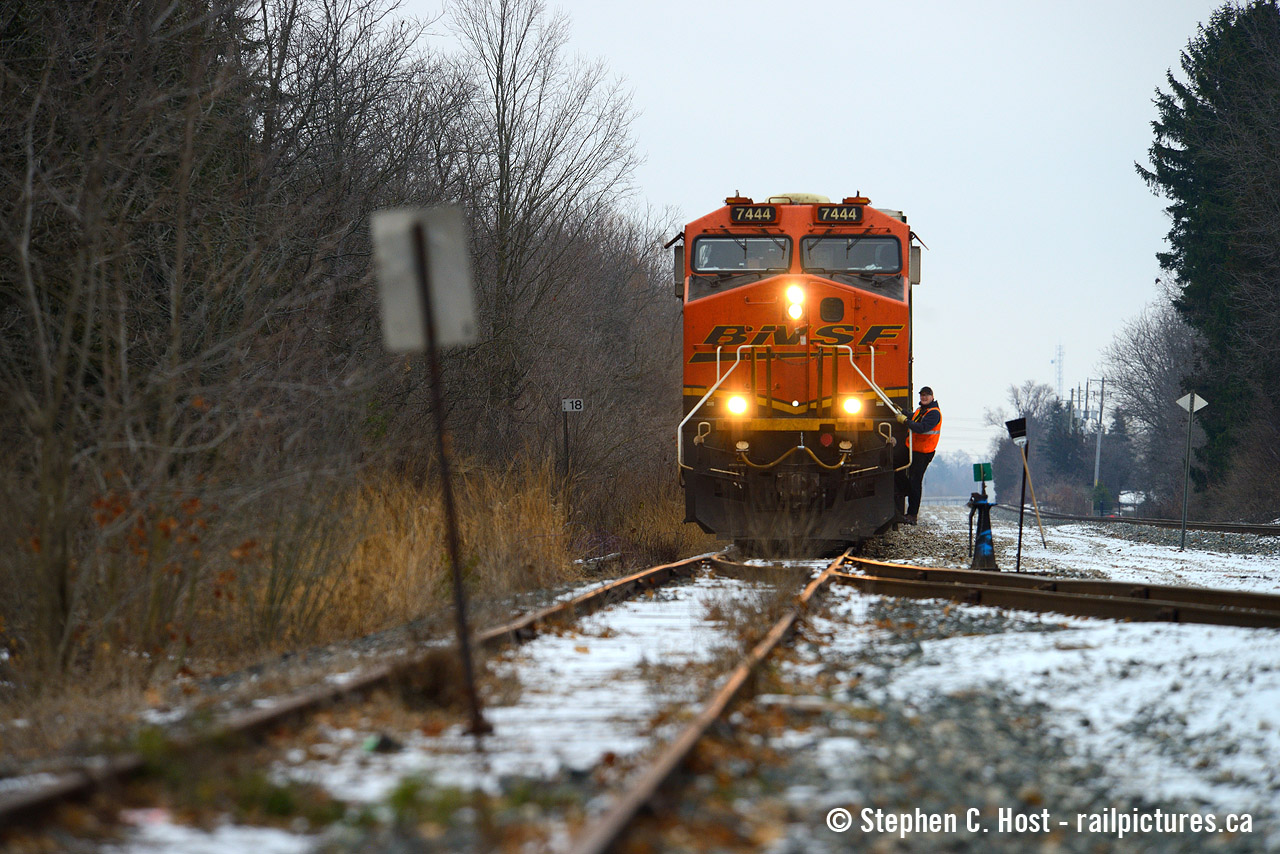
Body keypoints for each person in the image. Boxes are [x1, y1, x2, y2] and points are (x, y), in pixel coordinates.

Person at [893, 386, 942, 525]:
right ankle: (906, 490)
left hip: (923, 453)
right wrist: (902, 412)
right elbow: (913, 417)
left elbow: (921, 428)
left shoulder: (934, 413)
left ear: (932, 397)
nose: (924, 397)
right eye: (922, 395)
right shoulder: (921, 410)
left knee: (916, 481)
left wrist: (904, 421)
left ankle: (912, 515)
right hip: (912, 449)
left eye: (926, 395)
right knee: (895, 464)